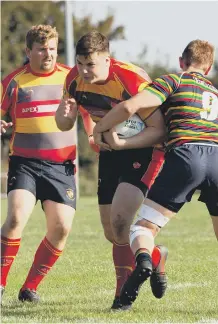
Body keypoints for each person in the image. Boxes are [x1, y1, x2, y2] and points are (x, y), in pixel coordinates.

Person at [93, 39, 218, 307]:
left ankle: (145, 260)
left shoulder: (174, 81)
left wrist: (101, 128)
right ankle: (152, 260)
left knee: (142, 227)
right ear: (208, 69)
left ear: (181, 61)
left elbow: (130, 107)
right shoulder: (214, 92)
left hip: (187, 156)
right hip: (216, 157)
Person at [55, 31, 168, 310]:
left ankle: (122, 298)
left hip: (143, 150)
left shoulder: (131, 80)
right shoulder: (73, 79)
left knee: (120, 222)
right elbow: (64, 124)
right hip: (110, 151)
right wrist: (67, 117)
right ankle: (155, 257)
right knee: (112, 232)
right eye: (80, 63)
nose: (83, 70)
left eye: (90, 64)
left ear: (107, 59)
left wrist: (123, 142)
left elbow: (160, 131)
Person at [0, 24, 95, 303]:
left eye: (52, 48)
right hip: (24, 163)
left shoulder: (71, 77)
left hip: (61, 167)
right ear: (28, 51)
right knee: (16, 217)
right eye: (42, 49)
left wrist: (92, 136)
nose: (48, 54)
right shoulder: (13, 81)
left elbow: (88, 110)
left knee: (62, 228)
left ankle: (30, 288)